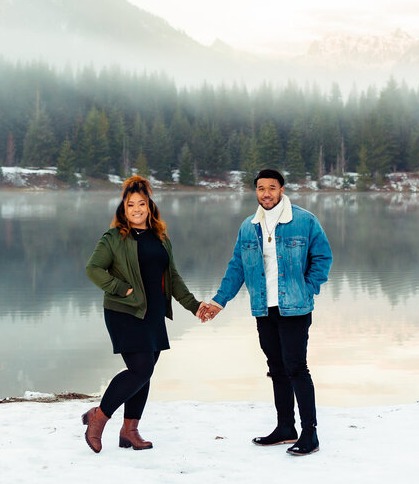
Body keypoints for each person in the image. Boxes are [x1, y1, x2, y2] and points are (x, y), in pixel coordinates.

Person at [198, 168, 333, 456]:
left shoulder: (305, 221)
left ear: (282, 190)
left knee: (297, 367)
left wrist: (308, 288)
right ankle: (286, 428)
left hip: (295, 308)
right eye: (261, 188)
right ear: (255, 191)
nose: (266, 193)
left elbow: (323, 257)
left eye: (272, 188)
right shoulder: (248, 226)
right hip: (263, 308)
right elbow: (237, 267)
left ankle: (310, 434)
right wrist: (218, 301)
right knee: (276, 368)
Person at [82, 175, 204, 453]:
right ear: (122, 210)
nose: (136, 209)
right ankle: (98, 418)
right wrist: (119, 288)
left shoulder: (160, 237)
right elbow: (93, 269)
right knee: (141, 369)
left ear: (150, 206)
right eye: (130, 205)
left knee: (145, 374)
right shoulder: (113, 238)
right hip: (124, 312)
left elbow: (172, 277)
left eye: (141, 204)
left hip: (153, 314)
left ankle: (130, 432)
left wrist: (194, 305)